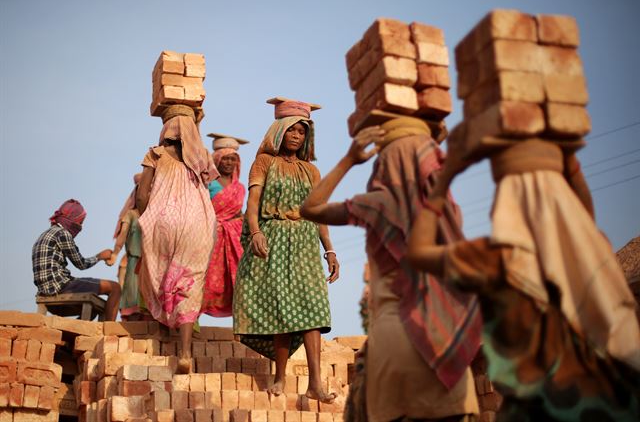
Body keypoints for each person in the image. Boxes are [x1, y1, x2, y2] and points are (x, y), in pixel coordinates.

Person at [406, 132, 640, 422]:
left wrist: (446, 174)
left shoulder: (493, 259)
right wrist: (566, 158)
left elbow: (419, 251)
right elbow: (583, 211)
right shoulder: (586, 249)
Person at [301, 119, 481, 422]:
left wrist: (349, 160)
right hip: (443, 342)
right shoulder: (447, 209)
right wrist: (432, 137)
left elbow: (311, 208)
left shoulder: (377, 205)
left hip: (393, 345)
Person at [233, 98, 339, 403]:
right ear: (278, 132)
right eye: (291, 130)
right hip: (274, 236)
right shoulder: (264, 162)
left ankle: (316, 383)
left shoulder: (311, 171)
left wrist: (329, 251)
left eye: (302, 132)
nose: (296, 135)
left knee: (315, 308)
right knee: (283, 308)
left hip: (305, 240)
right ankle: (279, 377)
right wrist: (255, 232)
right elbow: (252, 205)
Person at [136, 104, 218, 373]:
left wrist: (146, 217)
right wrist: (198, 124)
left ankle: (162, 336)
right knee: (188, 282)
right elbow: (209, 176)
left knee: (161, 274)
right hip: (196, 224)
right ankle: (184, 353)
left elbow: (141, 195)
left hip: (163, 222)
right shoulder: (200, 156)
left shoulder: (156, 154)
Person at [32, 199, 121, 320]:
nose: (80, 226)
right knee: (115, 288)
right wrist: (99, 256)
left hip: (44, 290)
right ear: (72, 219)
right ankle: (110, 334)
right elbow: (81, 264)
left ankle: (69, 337)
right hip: (60, 287)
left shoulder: (45, 234)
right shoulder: (62, 233)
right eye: (80, 222)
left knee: (93, 310)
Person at [202, 134, 248, 317]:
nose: (229, 163)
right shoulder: (208, 184)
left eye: (233, 159)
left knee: (239, 279)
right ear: (217, 160)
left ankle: (240, 327)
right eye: (225, 159)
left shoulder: (241, 187)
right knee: (204, 278)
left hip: (235, 237)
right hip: (211, 234)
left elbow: (239, 213)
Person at [107, 174, 143, 320]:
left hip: (153, 262)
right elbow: (122, 236)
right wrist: (115, 253)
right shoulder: (131, 215)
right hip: (134, 260)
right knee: (133, 295)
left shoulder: (157, 213)